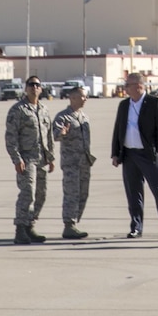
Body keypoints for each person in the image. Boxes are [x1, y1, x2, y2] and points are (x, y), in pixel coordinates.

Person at [110, 72, 158, 238]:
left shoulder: (154, 103)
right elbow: (118, 129)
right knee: (133, 193)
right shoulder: (124, 105)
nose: (124, 88)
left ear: (138, 86)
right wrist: (116, 153)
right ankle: (136, 226)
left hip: (147, 154)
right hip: (129, 154)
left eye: (127, 85)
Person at [5, 74, 54, 245]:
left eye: (37, 85)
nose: (34, 87)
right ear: (26, 88)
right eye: (31, 84)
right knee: (28, 194)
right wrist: (16, 159)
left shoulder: (44, 109)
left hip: (42, 159)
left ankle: (30, 226)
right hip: (27, 159)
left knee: (41, 194)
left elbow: (48, 135)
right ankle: (20, 229)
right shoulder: (18, 110)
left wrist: (51, 157)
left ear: (41, 89)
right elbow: (11, 137)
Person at [52, 85, 95, 240]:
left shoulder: (84, 117)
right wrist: (61, 133)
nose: (85, 99)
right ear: (73, 97)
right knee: (71, 194)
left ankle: (74, 222)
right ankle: (69, 225)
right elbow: (55, 135)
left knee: (83, 193)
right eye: (83, 96)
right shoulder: (63, 117)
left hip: (84, 163)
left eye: (86, 96)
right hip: (71, 164)